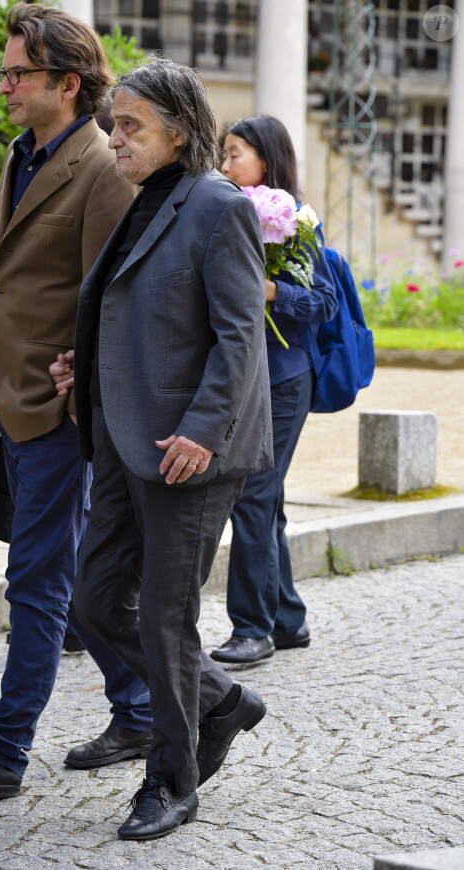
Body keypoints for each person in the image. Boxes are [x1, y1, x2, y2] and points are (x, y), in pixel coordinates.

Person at [0, 2, 150, 796]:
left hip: (55, 409)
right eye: (4, 72)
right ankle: (141, 704)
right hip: (5, 400)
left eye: (18, 74)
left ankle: (3, 750)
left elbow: (109, 294)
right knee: (72, 571)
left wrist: (73, 380)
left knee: (36, 581)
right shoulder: (26, 150)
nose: (5, 85)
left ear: (67, 82)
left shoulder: (100, 166)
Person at [53, 58, 272, 841]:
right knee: (97, 602)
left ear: (179, 131)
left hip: (190, 449)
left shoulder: (217, 205)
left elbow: (241, 333)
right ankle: (220, 700)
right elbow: (142, 314)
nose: (115, 139)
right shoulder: (146, 202)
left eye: (130, 126)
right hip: (119, 436)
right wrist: (87, 359)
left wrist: (203, 432)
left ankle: (172, 781)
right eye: (114, 125)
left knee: (166, 621)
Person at [210, 115, 338, 665]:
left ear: (266, 159)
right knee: (269, 501)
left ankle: (251, 628)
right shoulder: (224, 211)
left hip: (284, 381)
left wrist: (271, 290)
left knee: (253, 495)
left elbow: (323, 302)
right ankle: (288, 619)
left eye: (235, 153)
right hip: (246, 378)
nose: (224, 163)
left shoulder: (297, 223)